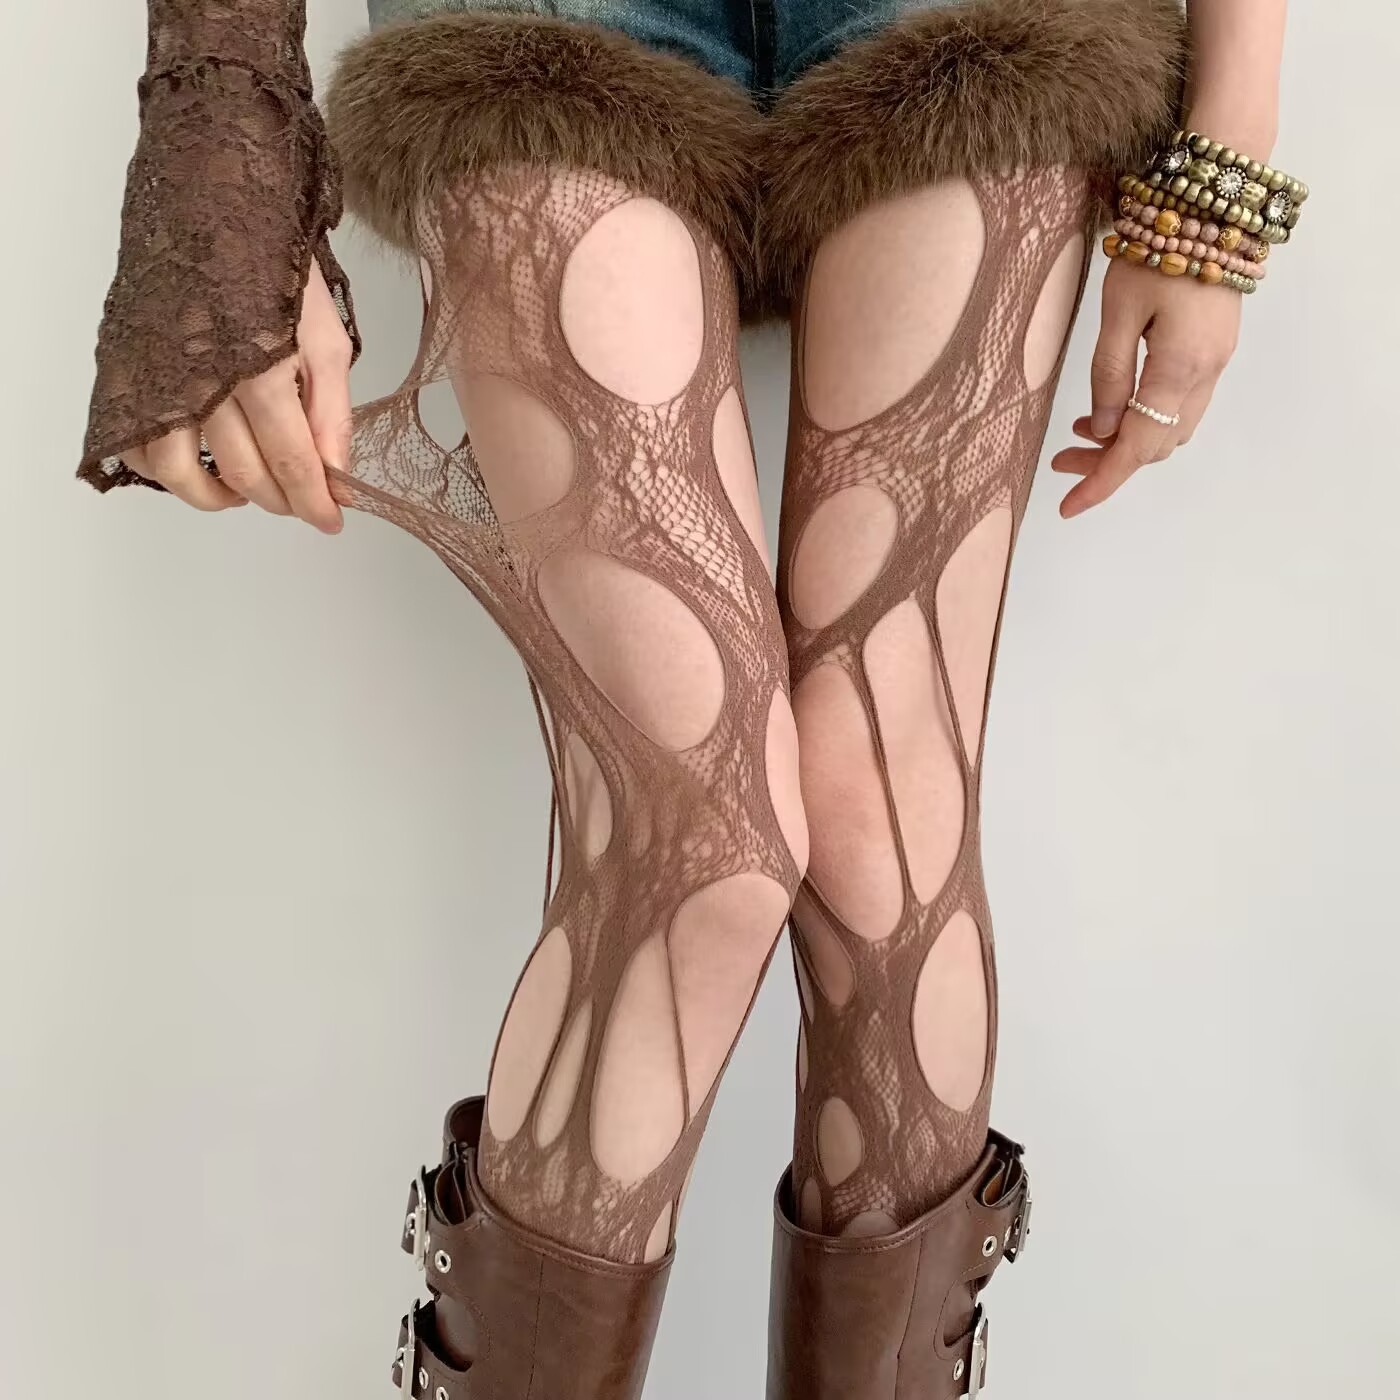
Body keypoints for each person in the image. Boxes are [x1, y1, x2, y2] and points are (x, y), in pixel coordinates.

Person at [79, 1, 1300, 1396]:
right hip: (539, 28)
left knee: (880, 844)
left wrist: (1227, 145)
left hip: (976, 26)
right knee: (701, 839)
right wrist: (220, 139)